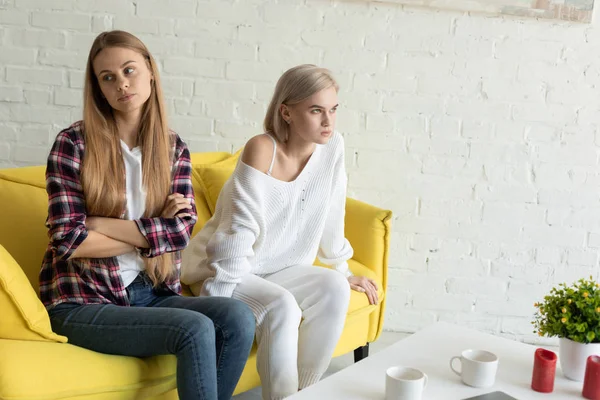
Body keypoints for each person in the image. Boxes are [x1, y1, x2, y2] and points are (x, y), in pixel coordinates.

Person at [39, 30, 255, 400]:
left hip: (149, 292)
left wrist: (103, 224)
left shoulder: (172, 149)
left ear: (150, 72)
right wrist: (153, 235)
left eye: (129, 70)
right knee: (194, 329)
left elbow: (181, 233)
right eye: (108, 78)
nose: (122, 84)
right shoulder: (73, 144)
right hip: (82, 300)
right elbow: (69, 240)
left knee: (238, 318)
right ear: (99, 89)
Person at [181, 64, 379, 400]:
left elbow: (333, 212)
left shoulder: (333, 147)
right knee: (282, 307)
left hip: (281, 267)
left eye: (333, 110)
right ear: (286, 112)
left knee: (334, 288)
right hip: (224, 267)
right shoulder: (261, 149)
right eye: (316, 111)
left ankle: (304, 393)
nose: (328, 122)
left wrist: (341, 269)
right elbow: (235, 232)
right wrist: (217, 305)